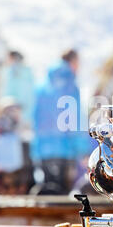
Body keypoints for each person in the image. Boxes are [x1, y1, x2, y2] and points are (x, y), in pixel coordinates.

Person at [32, 49, 92, 195]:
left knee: (47, 194)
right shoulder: (70, 86)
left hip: (44, 149)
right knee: (63, 196)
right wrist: (82, 149)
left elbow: (34, 117)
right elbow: (74, 119)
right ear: (72, 61)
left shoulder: (42, 87)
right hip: (65, 149)